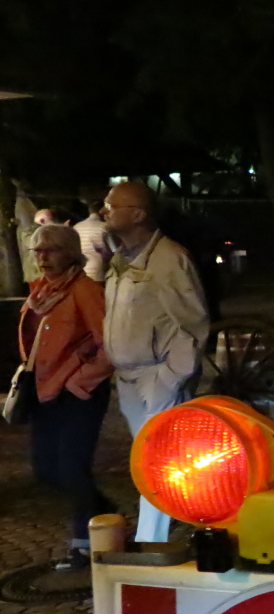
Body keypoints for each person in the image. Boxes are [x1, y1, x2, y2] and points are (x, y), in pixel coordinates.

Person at [102, 182, 210, 543]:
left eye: (112, 205)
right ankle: (199, 515)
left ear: (138, 214)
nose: (105, 210)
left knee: (155, 463)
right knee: (155, 462)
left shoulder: (168, 259)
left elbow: (192, 323)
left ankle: (151, 543)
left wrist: (171, 376)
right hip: (130, 378)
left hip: (156, 377)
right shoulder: (119, 260)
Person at [18, 225, 115, 569]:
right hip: (45, 392)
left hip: (77, 393)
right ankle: (104, 515)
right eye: (38, 251)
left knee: (73, 469)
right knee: (46, 469)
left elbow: (110, 344)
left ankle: (84, 545)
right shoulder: (42, 291)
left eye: (52, 250)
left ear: (72, 252)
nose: (43, 257)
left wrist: (80, 381)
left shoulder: (84, 290)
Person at [74, 200, 110, 283]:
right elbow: (111, 252)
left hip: (80, 272)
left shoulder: (77, 226)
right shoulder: (105, 227)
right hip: (99, 272)